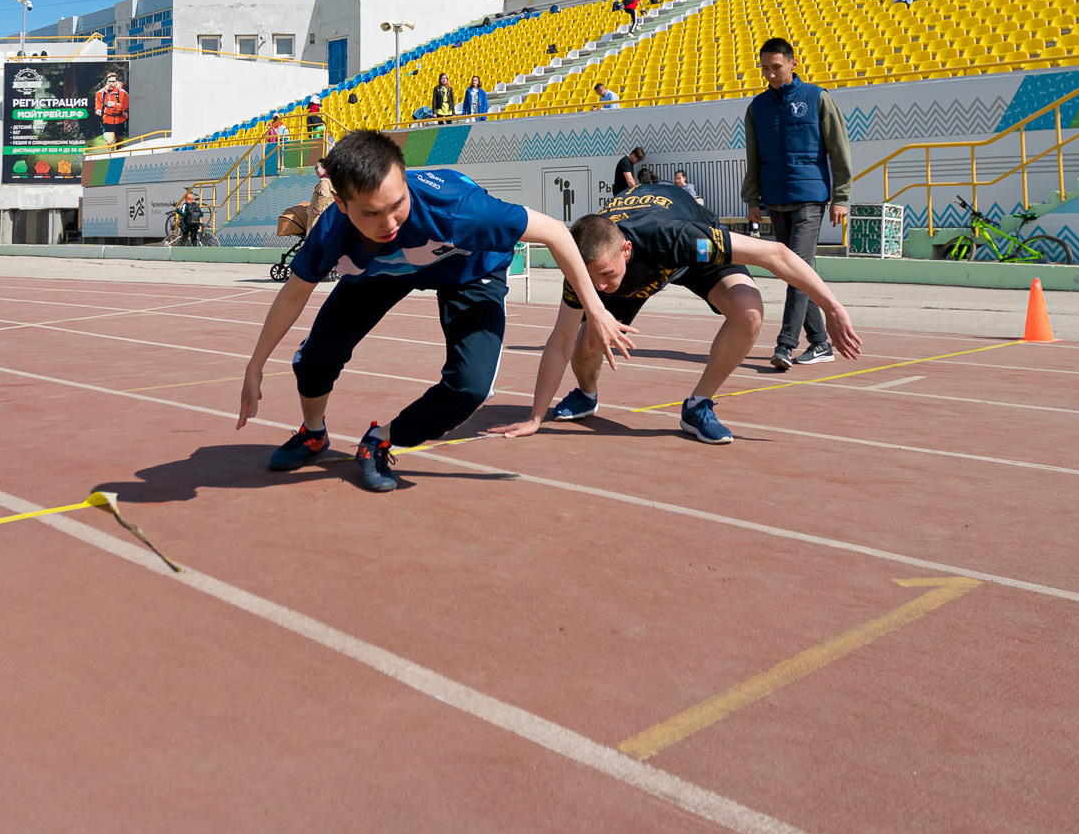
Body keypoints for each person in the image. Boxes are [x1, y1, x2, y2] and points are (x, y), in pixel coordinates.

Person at [240, 129, 632, 493]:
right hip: (382, 273)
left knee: (470, 387)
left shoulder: (460, 208)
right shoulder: (332, 229)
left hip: (467, 268)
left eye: (397, 205)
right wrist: (255, 364)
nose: (389, 223)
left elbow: (556, 232)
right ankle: (313, 434)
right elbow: (293, 295)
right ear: (341, 204)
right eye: (371, 214)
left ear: (405, 180)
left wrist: (594, 309)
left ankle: (380, 440)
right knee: (314, 361)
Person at [497, 181, 860, 445]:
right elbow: (559, 342)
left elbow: (777, 254)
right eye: (590, 280)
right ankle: (586, 394)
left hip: (682, 256)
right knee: (587, 341)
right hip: (637, 263)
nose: (600, 288)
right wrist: (535, 416)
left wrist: (832, 306)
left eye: (605, 276)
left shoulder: (679, 238)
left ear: (625, 250)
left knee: (749, 312)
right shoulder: (586, 272)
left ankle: (698, 405)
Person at [742, 38, 853, 371]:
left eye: (776, 67)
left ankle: (785, 345)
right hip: (775, 200)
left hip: (810, 198)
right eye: (765, 69)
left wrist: (841, 197)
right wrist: (753, 198)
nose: (771, 74)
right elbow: (754, 157)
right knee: (795, 273)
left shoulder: (817, 98)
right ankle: (820, 342)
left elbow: (838, 149)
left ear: (793, 63)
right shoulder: (756, 107)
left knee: (796, 272)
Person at [93, 70, 129, 142]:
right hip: (108, 119)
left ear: (116, 82)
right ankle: (109, 151)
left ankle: (118, 151)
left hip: (120, 119)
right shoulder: (100, 93)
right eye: (109, 81)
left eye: (113, 81)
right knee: (109, 141)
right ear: (106, 82)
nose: (111, 83)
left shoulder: (123, 93)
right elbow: (98, 104)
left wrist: (114, 105)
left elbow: (126, 107)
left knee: (119, 143)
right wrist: (98, 110)